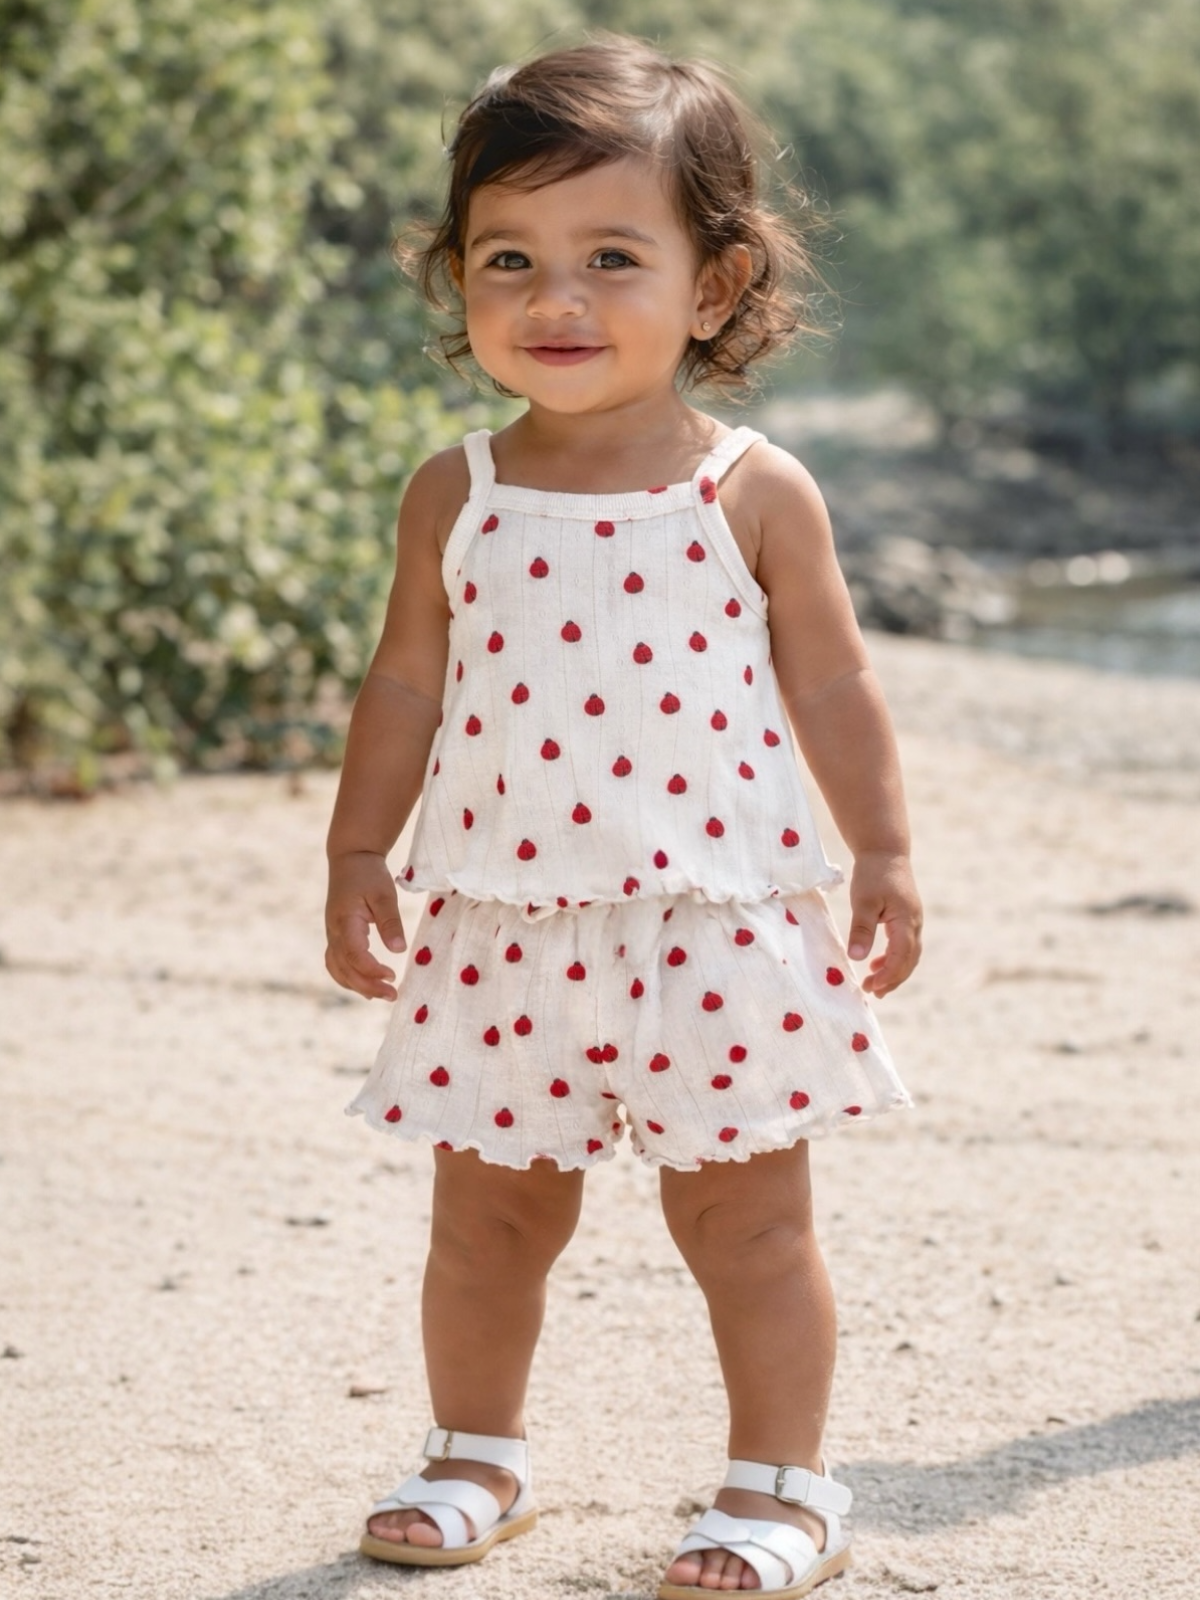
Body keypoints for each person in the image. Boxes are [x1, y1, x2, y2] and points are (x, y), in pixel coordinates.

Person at [324, 32, 922, 1597]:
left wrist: (888, 855)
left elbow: (839, 690)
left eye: (610, 257)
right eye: (508, 258)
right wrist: (352, 854)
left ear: (712, 289)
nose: (555, 300)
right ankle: (475, 1456)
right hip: (504, 925)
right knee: (487, 1224)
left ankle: (782, 1488)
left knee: (751, 1228)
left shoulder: (750, 488)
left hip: (711, 924)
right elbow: (402, 689)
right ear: (456, 278)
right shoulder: (455, 492)